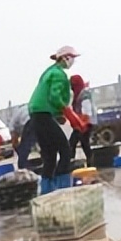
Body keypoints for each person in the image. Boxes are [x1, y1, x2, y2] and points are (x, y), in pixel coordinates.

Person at [28, 45, 88, 193]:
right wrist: (69, 114)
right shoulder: (59, 74)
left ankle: (47, 192)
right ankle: (63, 189)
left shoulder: (48, 72)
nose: (73, 61)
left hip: (37, 114)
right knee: (65, 150)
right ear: (66, 58)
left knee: (49, 155)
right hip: (43, 114)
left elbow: (47, 96)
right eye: (72, 58)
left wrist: (59, 115)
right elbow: (55, 97)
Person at [67, 75, 95, 163]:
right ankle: (88, 162)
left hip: (85, 123)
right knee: (82, 143)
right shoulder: (78, 95)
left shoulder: (84, 94)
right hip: (81, 124)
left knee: (76, 143)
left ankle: (72, 163)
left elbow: (87, 111)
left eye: (72, 86)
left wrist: (83, 125)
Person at [11, 105, 37, 169]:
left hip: (30, 121)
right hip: (40, 117)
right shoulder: (25, 108)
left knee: (24, 148)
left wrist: (19, 150)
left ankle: (23, 167)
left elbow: (14, 141)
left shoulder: (12, 123)